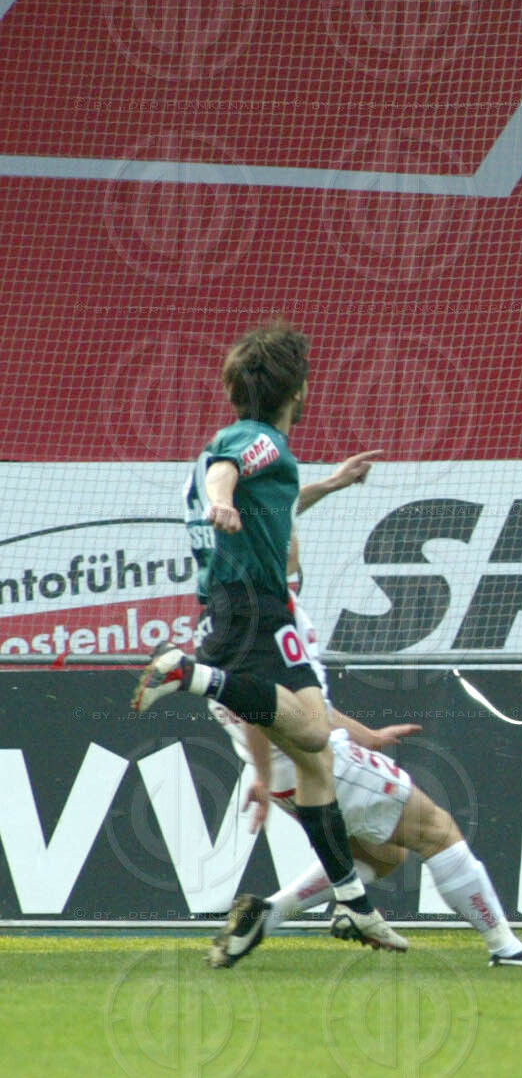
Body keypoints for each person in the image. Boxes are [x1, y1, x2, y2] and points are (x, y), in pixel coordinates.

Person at [130, 320, 405, 953]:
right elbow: (231, 471)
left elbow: (264, 504)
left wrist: (329, 485)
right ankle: (190, 673)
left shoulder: (261, 454)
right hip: (249, 609)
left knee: (316, 759)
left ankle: (354, 903)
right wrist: (220, 498)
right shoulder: (255, 443)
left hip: (263, 610)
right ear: (297, 390)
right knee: (312, 736)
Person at [207, 600, 522, 970]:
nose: (292, 542)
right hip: (318, 764)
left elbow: (294, 709)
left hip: (286, 780)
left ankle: (266, 915)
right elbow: (263, 703)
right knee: (437, 831)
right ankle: (506, 947)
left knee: (381, 855)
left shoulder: (219, 627)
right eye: (284, 539)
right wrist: (264, 773)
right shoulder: (270, 616)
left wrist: (369, 736)